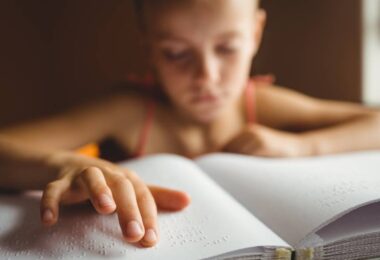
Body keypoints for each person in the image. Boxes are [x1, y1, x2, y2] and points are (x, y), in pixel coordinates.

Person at [1, 0, 380, 248]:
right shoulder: (130, 110)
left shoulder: (258, 103)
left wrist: (299, 145)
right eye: (177, 54)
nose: (206, 76)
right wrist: (69, 164)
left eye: (228, 48)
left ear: (255, 34)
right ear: (149, 48)